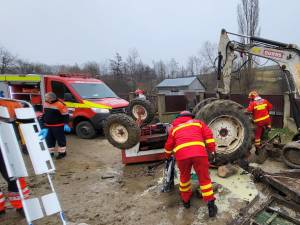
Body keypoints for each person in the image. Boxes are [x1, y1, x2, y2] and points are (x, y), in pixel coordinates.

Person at [164, 111, 218, 217]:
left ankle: (186, 202)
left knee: (184, 178)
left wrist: (166, 157)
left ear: (178, 118)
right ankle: (211, 206)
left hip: (182, 156)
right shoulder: (198, 123)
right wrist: (212, 150)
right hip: (199, 154)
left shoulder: (174, 129)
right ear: (190, 117)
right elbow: (209, 135)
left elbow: (168, 145)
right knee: (204, 180)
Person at [0, 99, 30, 217]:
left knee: (15, 176)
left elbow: (26, 120)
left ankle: (21, 205)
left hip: (7, 146)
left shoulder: (10, 103)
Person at [40, 92, 71, 159]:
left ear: (51, 98)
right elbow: (44, 114)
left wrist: (66, 124)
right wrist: (42, 123)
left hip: (58, 126)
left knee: (60, 140)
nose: (45, 98)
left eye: (46, 97)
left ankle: (62, 153)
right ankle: (50, 153)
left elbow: (66, 115)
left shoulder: (60, 104)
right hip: (48, 126)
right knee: (49, 140)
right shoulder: (46, 103)